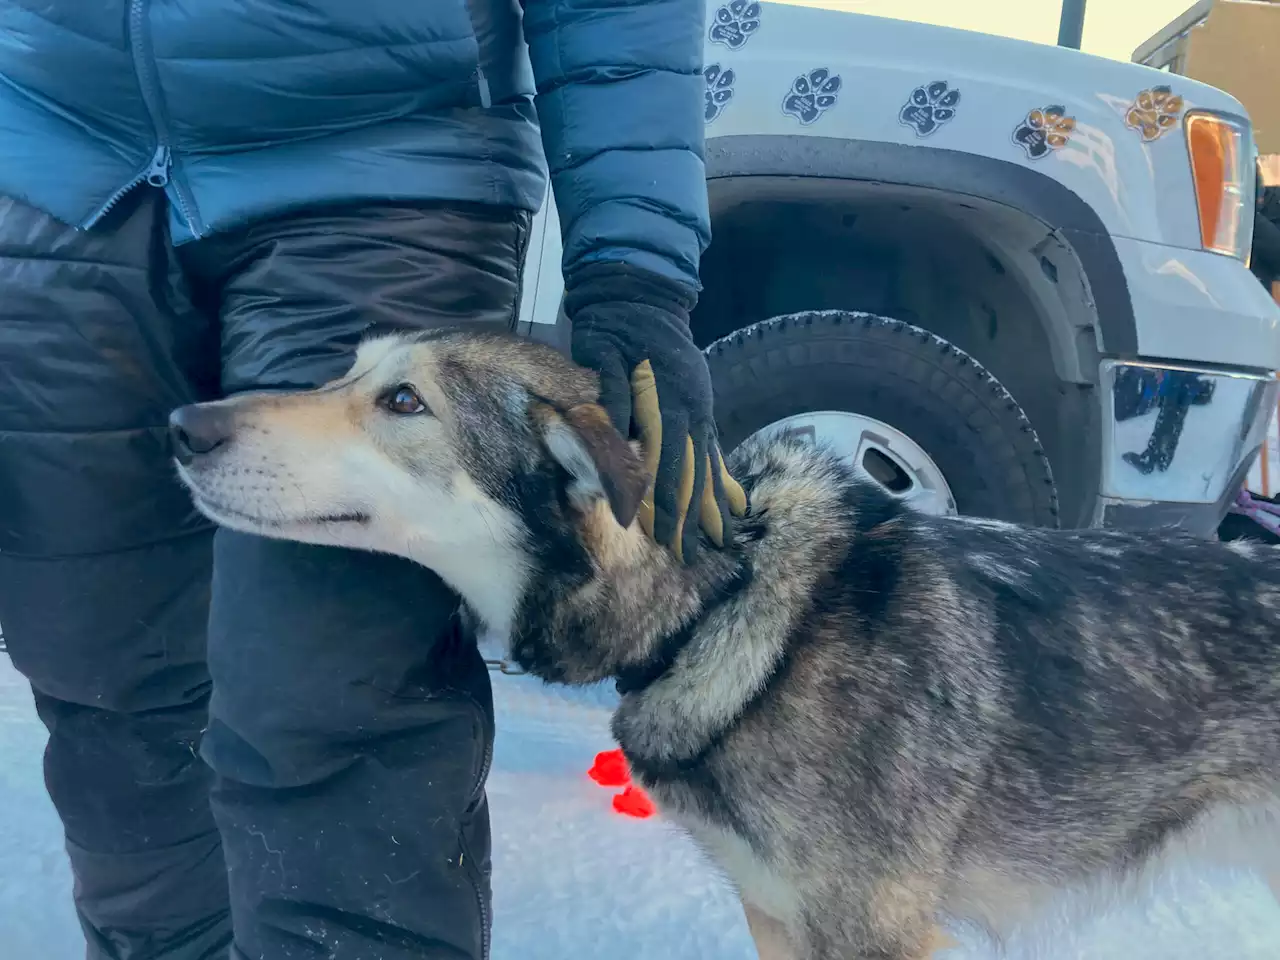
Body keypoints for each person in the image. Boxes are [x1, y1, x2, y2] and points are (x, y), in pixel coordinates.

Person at [0, 2, 741, 958]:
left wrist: (635, 269)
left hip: (380, 172)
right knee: (104, 682)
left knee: (328, 698)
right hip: (51, 164)